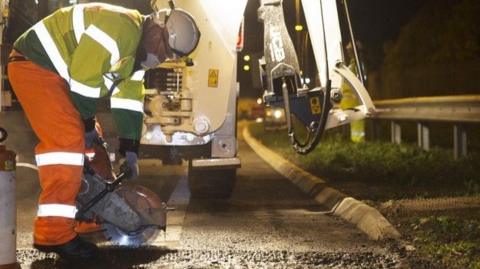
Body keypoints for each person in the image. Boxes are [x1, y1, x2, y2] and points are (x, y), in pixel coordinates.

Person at [7, 2, 200, 260]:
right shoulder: (120, 29)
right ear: (157, 32)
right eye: (165, 51)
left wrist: (130, 149)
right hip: (34, 65)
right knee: (67, 144)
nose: (163, 59)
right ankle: (53, 232)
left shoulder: (135, 52)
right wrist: (85, 125)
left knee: (94, 148)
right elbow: (84, 80)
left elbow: (128, 98)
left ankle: (90, 212)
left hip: (59, 76)